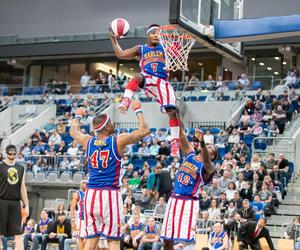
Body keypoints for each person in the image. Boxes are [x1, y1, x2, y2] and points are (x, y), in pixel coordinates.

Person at [69, 100, 149, 250]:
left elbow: (72, 132)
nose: (113, 124)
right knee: (113, 240)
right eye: (111, 123)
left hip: (91, 195)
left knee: (91, 240)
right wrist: (138, 110)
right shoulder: (118, 141)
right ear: (106, 126)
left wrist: (78, 116)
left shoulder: (88, 141)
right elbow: (144, 130)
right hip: (108, 194)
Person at [109, 24, 181, 157]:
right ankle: (126, 101)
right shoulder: (140, 49)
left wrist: (176, 39)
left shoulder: (166, 47)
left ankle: (175, 143)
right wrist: (113, 38)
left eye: (158, 33)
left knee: (172, 112)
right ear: (147, 35)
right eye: (153, 33)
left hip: (163, 83)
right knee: (136, 76)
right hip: (148, 79)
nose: (155, 35)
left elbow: (178, 52)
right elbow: (120, 54)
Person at [161, 124, 217, 249]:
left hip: (188, 203)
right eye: (207, 146)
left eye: (211, 149)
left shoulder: (209, 167)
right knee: (166, 239)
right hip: (174, 199)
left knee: (186, 241)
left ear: (212, 156)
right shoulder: (190, 155)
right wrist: (175, 112)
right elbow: (181, 135)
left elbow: (207, 161)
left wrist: (202, 141)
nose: (208, 148)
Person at [0, 144, 29, 250]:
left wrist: (27, 205)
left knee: (18, 233)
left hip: (16, 203)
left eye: (14, 153)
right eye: (9, 153)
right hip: (2, 201)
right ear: (6, 153)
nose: (12, 155)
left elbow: (23, 188)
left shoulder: (21, 168)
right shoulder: (1, 166)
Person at [69, 180, 87, 250]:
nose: (86, 184)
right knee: (81, 237)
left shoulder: (91, 192)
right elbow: (72, 207)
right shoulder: (77, 193)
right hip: (81, 219)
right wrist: (72, 220)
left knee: (89, 238)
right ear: (81, 185)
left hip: (90, 219)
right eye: (84, 183)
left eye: (87, 183)